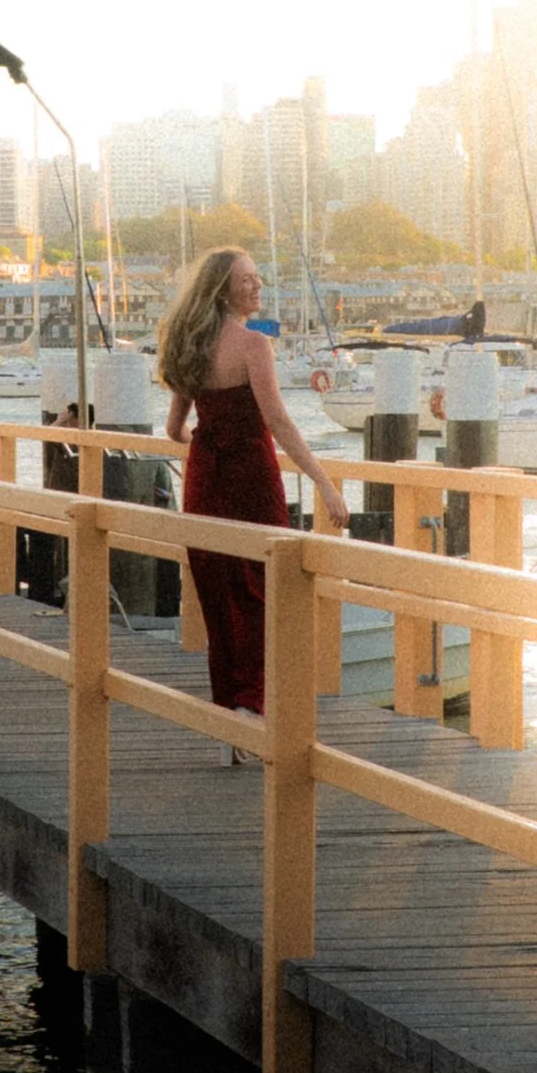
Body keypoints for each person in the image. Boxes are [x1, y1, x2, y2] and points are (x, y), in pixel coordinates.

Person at [160, 247, 350, 752]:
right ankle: (250, 709)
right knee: (261, 591)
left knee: (218, 592)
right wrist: (325, 484)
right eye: (247, 280)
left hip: (204, 476)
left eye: (257, 277)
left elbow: (174, 429)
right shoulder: (253, 345)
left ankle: (229, 718)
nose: (257, 286)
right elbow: (279, 422)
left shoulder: (190, 344)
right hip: (250, 473)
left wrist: (206, 437)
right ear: (224, 289)